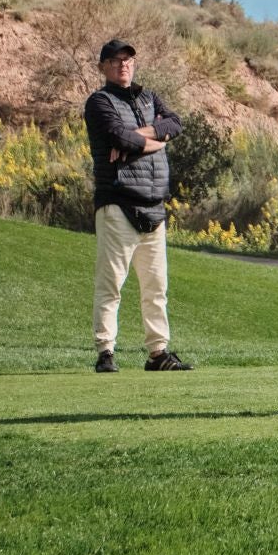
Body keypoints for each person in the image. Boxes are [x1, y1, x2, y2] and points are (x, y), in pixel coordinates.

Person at [84, 38, 191, 373]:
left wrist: (143, 138)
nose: (123, 65)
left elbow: (175, 124)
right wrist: (156, 142)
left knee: (156, 286)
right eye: (115, 61)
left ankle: (158, 353)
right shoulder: (98, 102)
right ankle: (106, 352)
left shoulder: (149, 97)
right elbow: (118, 137)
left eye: (128, 59)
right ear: (104, 67)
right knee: (111, 283)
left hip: (154, 205)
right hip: (118, 202)